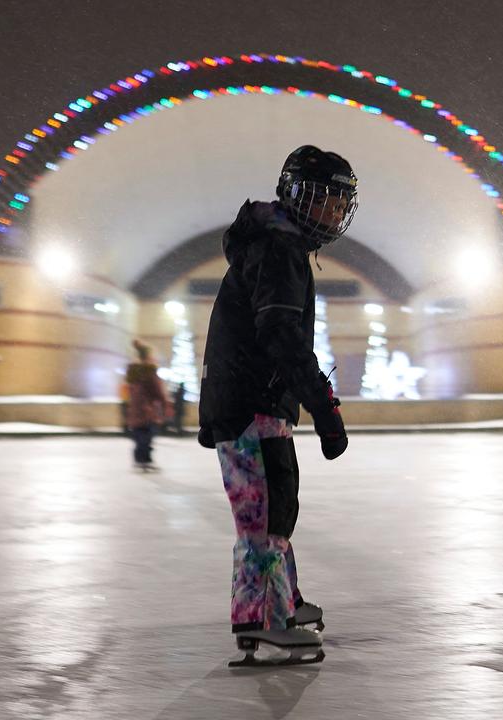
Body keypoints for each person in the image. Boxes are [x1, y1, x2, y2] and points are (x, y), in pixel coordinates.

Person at [198, 145, 356, 666]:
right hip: (252, 403)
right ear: (301, 197)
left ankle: (279, 601)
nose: (336, 212)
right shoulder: (278, 248)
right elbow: (281, 336)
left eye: (342, 203)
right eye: (329, 200)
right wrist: (325, 409)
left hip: (252, 401)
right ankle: (266, 618)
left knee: (274, 504)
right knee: (264, 516)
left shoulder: (276, 243)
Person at [124, 340, 169, 471]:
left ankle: (140, 459)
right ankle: (145, 460)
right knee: (147, 435)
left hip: (135, 409)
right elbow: (158, 391)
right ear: (148, 356)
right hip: (147, 410)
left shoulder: (133, 372)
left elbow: (130, 391)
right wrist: (165, 403)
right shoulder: (149, 372)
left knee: (139, 436)